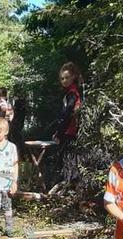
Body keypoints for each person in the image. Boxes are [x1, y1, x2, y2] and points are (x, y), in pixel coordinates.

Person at [49, 62, 83, 192]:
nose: (64, 81)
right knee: (69, 161)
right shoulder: (70, 92)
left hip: (70, 131)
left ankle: (69, 189)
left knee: (68, 161)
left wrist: (59, 133)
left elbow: (67, 115)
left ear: (73, 77)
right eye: (62, 78)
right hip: (69, 130)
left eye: (67, 78)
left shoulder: (73, 93)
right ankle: (68, 188)